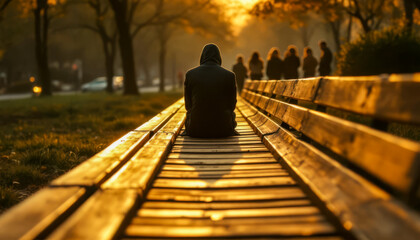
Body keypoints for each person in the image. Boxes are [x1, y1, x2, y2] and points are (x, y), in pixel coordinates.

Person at [183, 43, 238, 138]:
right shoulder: (230, 76)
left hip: (195, 129)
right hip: (224, 129)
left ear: (202, 56)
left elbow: (188, 106)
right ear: (219, 57)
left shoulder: (190, 74)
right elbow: (232, 105)